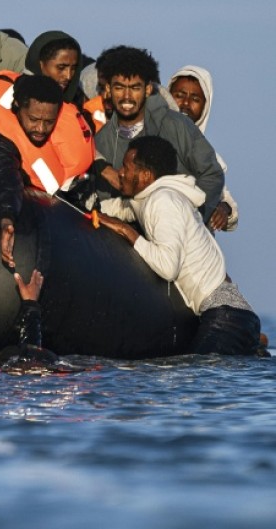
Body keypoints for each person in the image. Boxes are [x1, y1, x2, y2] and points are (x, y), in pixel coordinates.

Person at [97, 137, 261, 356]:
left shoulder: (163, 201)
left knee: (200, 376)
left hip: (227, 317)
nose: (120, 173)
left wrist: (128, 232)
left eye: (126, 167)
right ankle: (256, 347)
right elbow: (119, 209)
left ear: (146, 175)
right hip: (228, 317)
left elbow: (168, 267)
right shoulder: (149, 199)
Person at [0, 74, 94, 268]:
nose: (41, 128)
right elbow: (5, 179)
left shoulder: (38, 119)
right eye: (33, 119)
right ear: (16, 107)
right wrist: (6, 219)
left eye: (49, 122)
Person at [91, 47, 224, 225]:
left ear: (147, 89)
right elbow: (105, 203)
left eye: (135, 88)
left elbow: (212, 175)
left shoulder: (176, 125)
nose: (127, 97)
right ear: (108, 89)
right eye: (119, 88)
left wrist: (192, 220)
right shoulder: (101, 143)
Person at [168, 66, 239, 232]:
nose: (185, 103)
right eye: (179, 95)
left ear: (206, 106)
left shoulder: (207, 157)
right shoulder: (149, 135)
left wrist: (223, 209)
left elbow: (228, 204)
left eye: (195, 99)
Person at [24, 31, 84, 109]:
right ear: (41, 64)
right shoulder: (9, 99)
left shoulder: (74, 113)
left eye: (73, 68)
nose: (68, 76)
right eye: (61, 68)